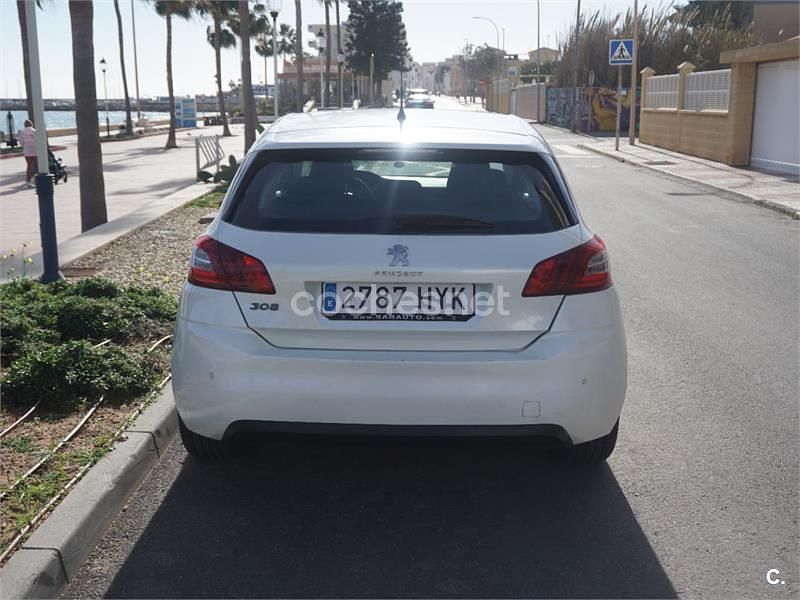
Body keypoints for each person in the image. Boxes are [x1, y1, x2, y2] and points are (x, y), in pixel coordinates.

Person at [19, 119, 38, 188]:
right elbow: (37, 140)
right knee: (37, 165)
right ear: (31, 124)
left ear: (25, 125)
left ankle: (28, 181)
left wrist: (24, 145)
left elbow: (21, 142)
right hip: (35, 150)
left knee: (29, 166)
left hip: (27, 150)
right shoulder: (34, 131)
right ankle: (37, 180)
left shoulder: (22, 132)